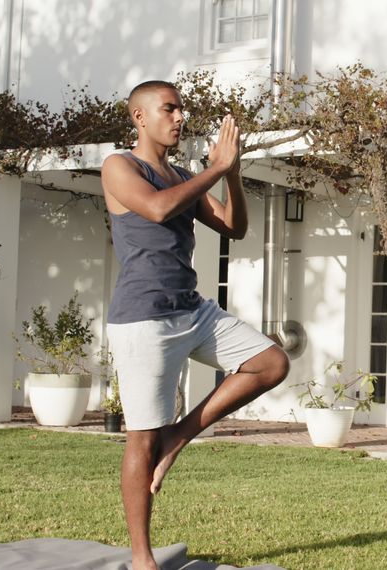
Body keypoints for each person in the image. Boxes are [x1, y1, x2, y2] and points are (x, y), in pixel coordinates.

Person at [101, 80, 289, 570]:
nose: (180, 116)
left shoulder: (184, 174)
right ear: (140, 117)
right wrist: (215, 168)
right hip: (144, 317)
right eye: (170, 108)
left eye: (182, 108)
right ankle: (142, 557)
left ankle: (180, 435)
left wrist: (233, 175)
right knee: (141, 439)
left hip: (193, 308)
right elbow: (160, 207)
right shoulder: (120, 166)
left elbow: (234, 228)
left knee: (270, 362)